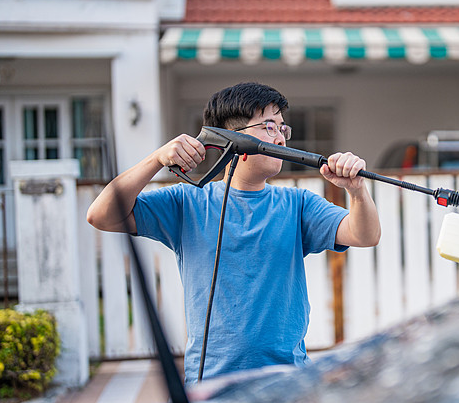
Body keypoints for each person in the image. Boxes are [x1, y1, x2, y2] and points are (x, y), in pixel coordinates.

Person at [87, 81, 381, 383]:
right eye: (269, 127)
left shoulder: (298, 204)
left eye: (283, 129)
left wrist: (356, 191)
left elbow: (364, 235)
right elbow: (100, 215)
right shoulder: (185, 202)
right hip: (211, 382)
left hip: (288, 380)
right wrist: (155, 159)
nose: (280, 139)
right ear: (232, 139)